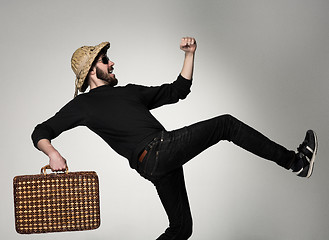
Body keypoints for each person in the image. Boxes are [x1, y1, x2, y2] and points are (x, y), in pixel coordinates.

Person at [31, 37, 318, 240]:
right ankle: (296, 162)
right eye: (106, 60)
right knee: (225, 125)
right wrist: (53, 155)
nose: (113, 62)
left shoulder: (130, 91)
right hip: (157, 153)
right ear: (93, 70)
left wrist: (189, 54)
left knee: (181, 230)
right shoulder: (83, 106)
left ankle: (296, 163)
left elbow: (177, 90)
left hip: (158, 162)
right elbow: (40, 131)